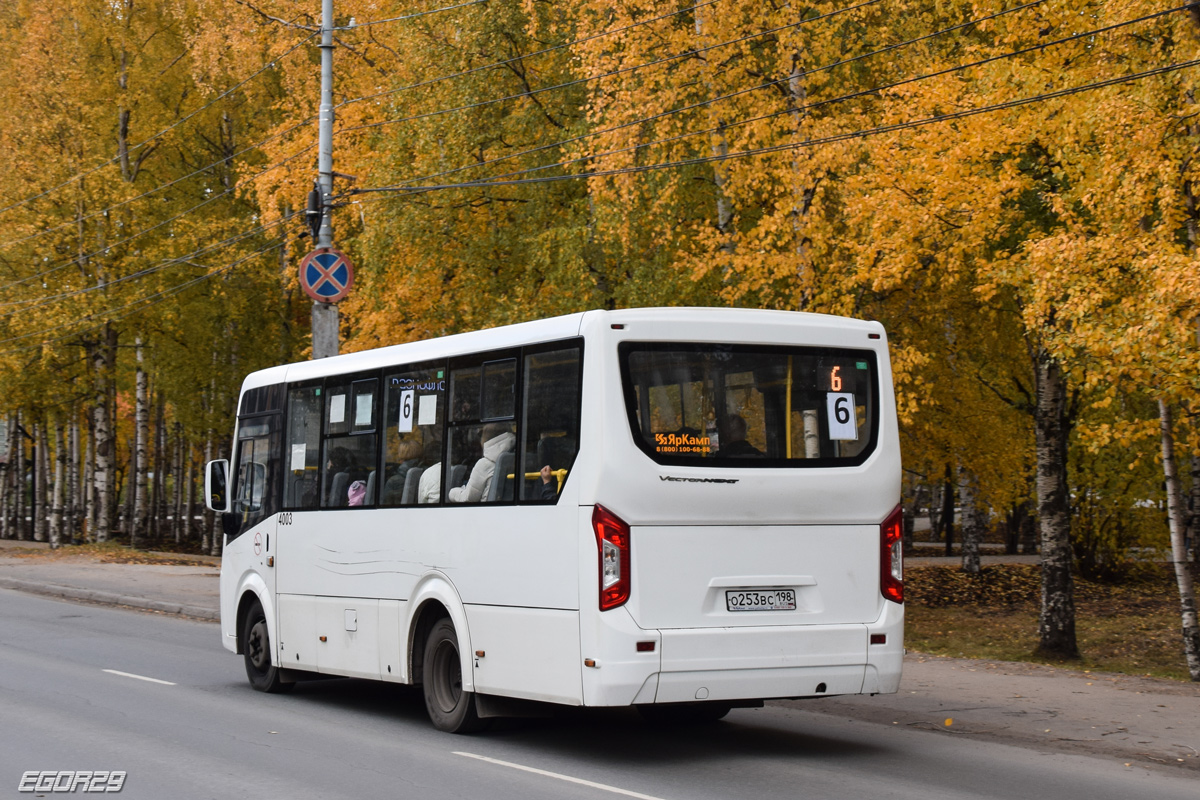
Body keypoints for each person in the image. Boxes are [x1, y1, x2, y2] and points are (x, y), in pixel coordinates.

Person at [448, 423, 516, 503]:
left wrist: (451, 492)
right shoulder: (514, 457)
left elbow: (468, 498)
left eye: (481, 434)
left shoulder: (484, 464)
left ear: (486, 438)